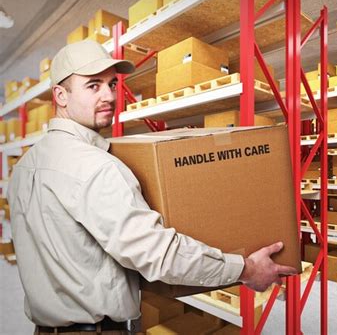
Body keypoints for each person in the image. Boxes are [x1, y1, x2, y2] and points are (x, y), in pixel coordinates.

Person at [7, 40, 297, 334]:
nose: (108, 95)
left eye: (112, 84)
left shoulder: (24, 167)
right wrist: (245, 269)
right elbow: (159, 255)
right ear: (61, 95)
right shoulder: (96, 167)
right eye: (93, 86)